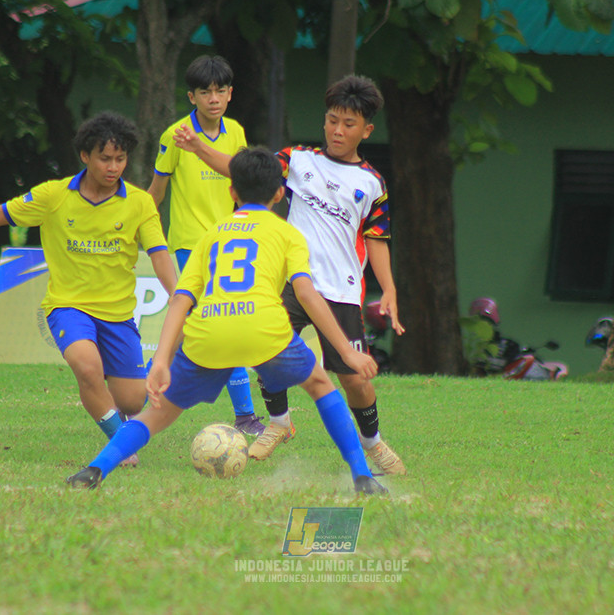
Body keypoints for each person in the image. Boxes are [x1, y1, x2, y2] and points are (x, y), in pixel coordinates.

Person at [66, 147, 387, 494]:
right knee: (321, 385)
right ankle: (362, 475)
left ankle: (95, 469)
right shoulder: (289, 234)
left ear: (232, 192)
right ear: (280, 194)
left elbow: (181, 300)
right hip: (265, 330)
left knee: (156, 416)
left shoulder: (212, 235)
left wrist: (161, 360)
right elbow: (307, 294)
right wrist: (347, 351)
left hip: (209, 333)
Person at [172, 74, 407, 475]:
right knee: (266, 351)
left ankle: (374, 443)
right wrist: (198, 148)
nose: (337, 130)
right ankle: (279, 422)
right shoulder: (299, 159)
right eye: (332, 120)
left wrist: (388, 289)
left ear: (366, 130)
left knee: (353, 378)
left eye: (348, 124)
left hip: (341, 291)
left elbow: (377, 238)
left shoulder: (371, 182)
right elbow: (241, 170)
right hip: (290, 280)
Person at [0, 112, 177, 463]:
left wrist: (180, 295)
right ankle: (120, 445)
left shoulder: (139, 202)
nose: (113, 167)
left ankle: (117, 410)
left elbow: (160, 255)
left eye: (120, 159)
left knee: (132, 400)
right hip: (68, 305)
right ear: (85, 156)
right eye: (105, 158)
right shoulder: (54, 195)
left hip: (118, 314)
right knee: (86, 366)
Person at [146, 55, 265, 436]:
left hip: (228, 247)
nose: (213, 98)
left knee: (213, 327)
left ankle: (243, 415)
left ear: (230, 94)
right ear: (191, 97)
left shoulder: (236, 133)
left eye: (220, 91)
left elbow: (242, 188)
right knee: (207, 327)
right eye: (204, 91)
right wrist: (136, 231)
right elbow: (156, 194)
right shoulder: (174, 135)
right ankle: (241, 415)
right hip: (187, 246)